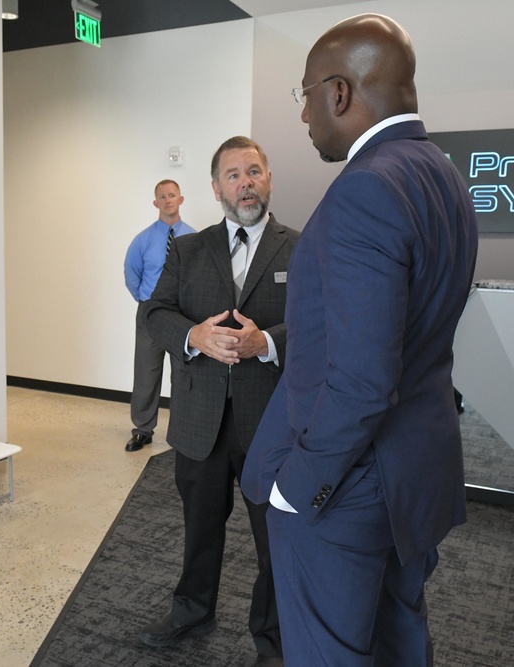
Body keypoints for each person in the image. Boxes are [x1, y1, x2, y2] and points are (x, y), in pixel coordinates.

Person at [241, 14, 479, 666]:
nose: (303, 115)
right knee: (401, 638)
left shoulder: (366, 188)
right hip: (416, 470)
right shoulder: (443, 177)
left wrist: (299, 487)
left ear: (339, 93)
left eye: (305, 95)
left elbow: (363, 379)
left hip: (347, 489)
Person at [140, 136, 299, 667]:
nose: (245, 182)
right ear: (215, 188)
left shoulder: (300, 247)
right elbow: (155, 313)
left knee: (274, 540)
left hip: (271, 424)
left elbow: (320, 325)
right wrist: (194, 337)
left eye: (253, 171)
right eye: (233, 174)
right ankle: (191, 609)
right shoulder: (186, 249)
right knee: (199, 525)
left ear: (269, 178)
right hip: (199, 420)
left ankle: (273, 639)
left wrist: (267, 342)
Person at [123, 180, 195, 452]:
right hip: (150, 313)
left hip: (182, 315)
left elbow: (199, 276)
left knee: (184, 374)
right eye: (162, 197)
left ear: (181, 199)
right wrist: (146, 301)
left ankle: (182, 431)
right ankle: (143, 429)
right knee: (146, 373)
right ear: (156, 203)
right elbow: (132, 275)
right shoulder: (142, 240)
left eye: (172, 195)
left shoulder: (194, 238)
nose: (167, 200)